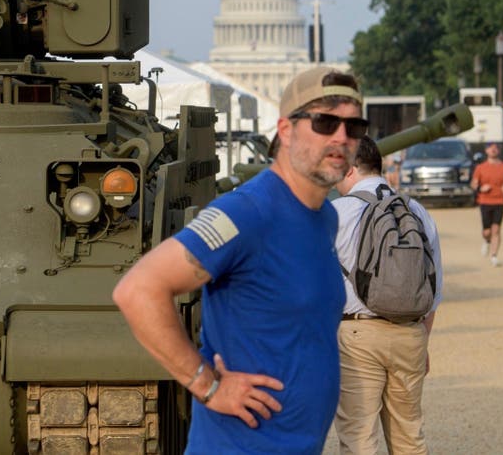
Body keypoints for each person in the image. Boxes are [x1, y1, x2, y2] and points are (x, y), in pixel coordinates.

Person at [112, 67, 365, 453]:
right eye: (325, 122)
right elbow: (138, 289)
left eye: (354, 127)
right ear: (285, 130)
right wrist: (207, 386)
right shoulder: (247, 213)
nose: (341, 138)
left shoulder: (325, 218)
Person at [332, 135, 442, 455]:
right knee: (409, 436)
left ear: (352, 168)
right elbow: (433, 289)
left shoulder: (337, 213)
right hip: (411, 334)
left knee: (359, 438)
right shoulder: (417, 211)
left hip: (355, 334)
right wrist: (422, 341)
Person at [470, 141, 503, 267]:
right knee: (487, 231)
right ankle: (487, 240)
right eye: (490, 148)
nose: (493, 150)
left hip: (499, 201)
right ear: (486, 151)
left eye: (496, 148)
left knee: (496, 230)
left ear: (499, 150)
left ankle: (494, 256)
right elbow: (473, 184)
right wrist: (481, 188)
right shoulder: (480, 168)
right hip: (485, 201)